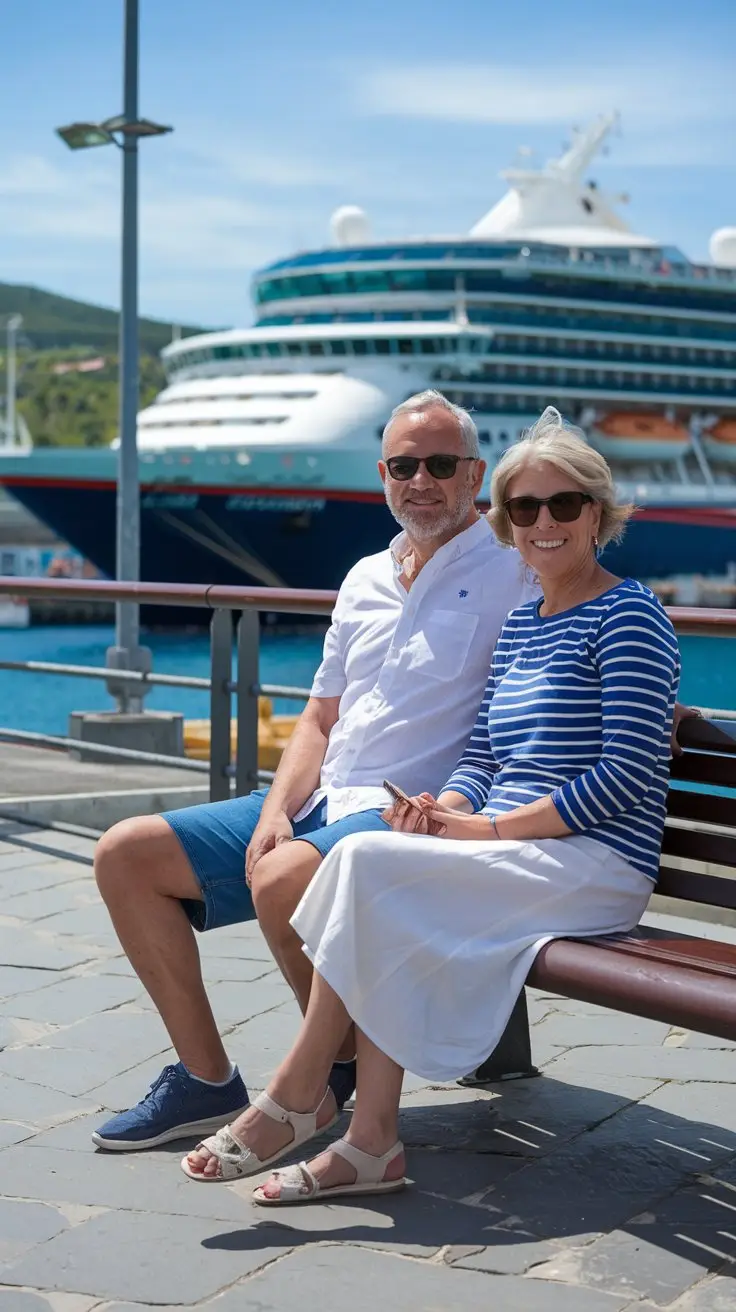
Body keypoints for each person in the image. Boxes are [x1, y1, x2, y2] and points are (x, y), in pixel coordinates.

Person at [179, 406, 681, 1197]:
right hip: (516, 845)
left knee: (368, 867)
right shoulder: (523, 622)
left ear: (598, 515)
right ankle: (371, 1141)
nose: (542, 523)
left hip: (594, 858)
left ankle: (297, 1096)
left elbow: (624, 775)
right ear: (506, 521)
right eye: (523, 508)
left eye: (562, 505)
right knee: (369, 858)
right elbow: (483, 751)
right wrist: (443, 807)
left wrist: (485, 828)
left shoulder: (629, 614)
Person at [91, 389, 539, 1151]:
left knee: (281, 877)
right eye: (403, 464)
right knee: (125, 854)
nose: (419, 480)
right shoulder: (364, 576)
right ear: (383, 473)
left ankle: (331, 1077)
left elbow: (563, 674)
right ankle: (205, 1081)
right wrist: (274, 811)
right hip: (322, 800)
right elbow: (320, 717)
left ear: (475, 475)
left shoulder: (517, 574)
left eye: (439, 464)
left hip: (410, 813)